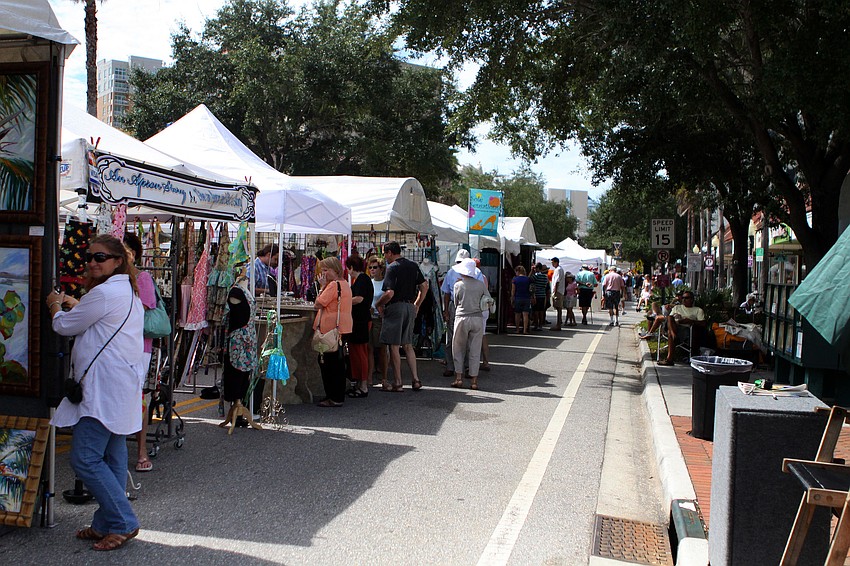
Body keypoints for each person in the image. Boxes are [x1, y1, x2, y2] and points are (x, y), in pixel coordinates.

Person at [46, 234, 144, 551]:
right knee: (113, 458)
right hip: (120, 385)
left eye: (100, 257)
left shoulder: (103, 294)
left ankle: (123, 521)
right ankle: (107, 523)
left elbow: (64, 326)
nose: (92, 262)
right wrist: (78, 306)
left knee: (86, 458)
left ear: (117, 261)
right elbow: (97, 320)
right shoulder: (128, 291)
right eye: (90, 257)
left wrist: (55, 306)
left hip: (102, 389)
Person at [123, 233, 156, 473]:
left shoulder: (142, 278)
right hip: (115, 347)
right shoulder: (107, 279)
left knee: (137, 399)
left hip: (138, 346)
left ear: (134, 254)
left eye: (126, 250)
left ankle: (141, 450)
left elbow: (141, 310)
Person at [375, 241, 428, 392]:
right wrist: (417, 304)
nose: (384, 256)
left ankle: (398, 382)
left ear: (390, 253)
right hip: (409, 306)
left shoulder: (392, 267)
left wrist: (379, 303)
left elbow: (389, 293)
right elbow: (424, 286)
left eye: (385, 253)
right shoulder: (412, 265)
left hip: (396, 307)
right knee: (408, 345)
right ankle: (415, 379)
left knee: (393, 345)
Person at [313, 257, 353, 406]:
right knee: (337, 362)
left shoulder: (333, 285)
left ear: (334, 270)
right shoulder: (345, 284)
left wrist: (322, 286)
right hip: (342, 327)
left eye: (325, 270)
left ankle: (334, 397)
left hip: (330, 329)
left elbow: (318, 303)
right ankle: (336, 396)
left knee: (329, 364)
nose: (323, 274)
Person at [450, 258, 492, 390]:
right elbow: (488, 299)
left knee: (458, 348)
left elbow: (456, 303)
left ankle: (458, 378)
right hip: (477, 318)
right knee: (474, 349)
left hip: (462, 317)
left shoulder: (458, 285)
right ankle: (474, 381)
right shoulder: (480, 284)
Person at [346, 255, 373, 398]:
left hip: (360, 321)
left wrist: (343, 301)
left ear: (351, 267)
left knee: (360, 352)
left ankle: (363, 385)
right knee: (357, 353)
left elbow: (359, 299)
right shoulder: (362, 279)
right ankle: (359, 383)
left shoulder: (362, 280)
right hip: (359, 320)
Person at [658, 291, 706, 366]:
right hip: (672, 326)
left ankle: (669, 359)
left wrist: (690, 321)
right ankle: (674, 335)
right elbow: (670, 318)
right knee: (670, 318)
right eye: (682, 298)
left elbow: (703, 323)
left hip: (685, 330)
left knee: (671, 331)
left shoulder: (698, 310)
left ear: (692, 299)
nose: (684, 300)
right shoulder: (677, 307)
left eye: (686, 298)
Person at [367, 256, 389, 388]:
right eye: (370, 267)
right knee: (369, 348)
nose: (372, 270)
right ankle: (369, 376)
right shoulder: (369, 282)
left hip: (380, 318)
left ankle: (384, 377)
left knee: (382, 349)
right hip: (370, 318)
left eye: (375, 267)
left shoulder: (386, 283)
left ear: (381, 269)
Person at [511, 265, 533, 334]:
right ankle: (525, 330)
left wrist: (512, 298)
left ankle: (517, 329)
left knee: (517, 314)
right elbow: (531, 289)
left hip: (518, 298)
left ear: (517, 271)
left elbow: (513, 290)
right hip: (526, 298)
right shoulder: (528, 279)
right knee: (525, 314)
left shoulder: (515, 279)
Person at [530, 263, 550, 330]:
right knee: (541, 311)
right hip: (543, 295)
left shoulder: (536, 276)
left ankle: (536, 325)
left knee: (535, 311)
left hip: (536, 295)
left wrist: (531, 271)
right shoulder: (545, 277)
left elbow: (529, 278)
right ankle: (540, 325)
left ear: (538, 268)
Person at [549, 257, 565, 330]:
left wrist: (555, 291)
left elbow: (557, 281)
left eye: (553, 262)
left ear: (556, 262)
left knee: (558, 308)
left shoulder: (558, 270)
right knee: (558, 308)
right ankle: (559, 322)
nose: (552, 264)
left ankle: (558, 324)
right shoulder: (559, 269)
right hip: (559, 291)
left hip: (558, 291)